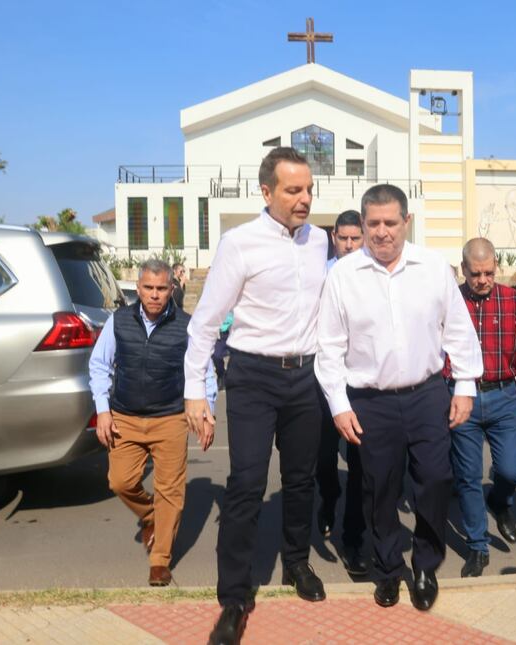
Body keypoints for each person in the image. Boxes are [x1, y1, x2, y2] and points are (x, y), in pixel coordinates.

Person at [185, 147, 329, 644]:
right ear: (266, 192)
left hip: (305, 377)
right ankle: (233, 598)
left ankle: (296, 564)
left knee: (301, 480)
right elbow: (204, 324)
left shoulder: (320, 241)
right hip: (251, 376)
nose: (305, 199)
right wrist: (194, 393)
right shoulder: (239, 243)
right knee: (246, 483)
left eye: (309, 189)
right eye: (294, 190)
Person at [315, 184, 482, 610]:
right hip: (370, 401)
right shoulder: (343, 275)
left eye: (391, 222)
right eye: (374, 223)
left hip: (427, 394)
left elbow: (459, 331)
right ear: (363, 224)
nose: (382, 232)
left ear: (406, 222)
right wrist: (339, 404)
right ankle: (388, 569)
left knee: (435, 481)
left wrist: (464, 386)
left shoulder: (432, 268)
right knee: (379, 490)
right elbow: (329, 346)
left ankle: (426, 564)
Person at [88, 259, 217, 586]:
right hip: (124, 418)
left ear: (171, 289)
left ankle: (160, 560)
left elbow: (204, 371)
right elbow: (99, 366)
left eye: (162, 288)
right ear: (139, 289)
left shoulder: (187, 325)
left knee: (170, 490)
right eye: (149, 288)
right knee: (119, 481)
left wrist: (207, 410)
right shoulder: (118, 321)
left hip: (170, 418)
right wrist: (103, 410)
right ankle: (150, 516)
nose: (155, 295)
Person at [445, 238, 516, 578]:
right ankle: (477, 546)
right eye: (476, 274)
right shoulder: (450, 301)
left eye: (489, 273)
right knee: (468, 476)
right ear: (464, 269)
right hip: (463, 399)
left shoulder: (512, 300)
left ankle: (500, 502)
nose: (483, 280)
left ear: (497, 268)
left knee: (510, 471)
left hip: (504, 397)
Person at [315, 209, 368, 576]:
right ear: (334, 237)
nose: (349, 245)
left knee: (361, 461)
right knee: (322, 458)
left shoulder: (372, 273)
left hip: (362, 382)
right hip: (323, 380)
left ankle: (354, 538)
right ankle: (329, 497)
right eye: (344, 238)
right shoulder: (322, 274)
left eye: (355, 238)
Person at [212, 311, 234, 390]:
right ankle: (221, 375)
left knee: (236, 357)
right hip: (220, 333)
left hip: (234, 331)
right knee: (216, 356)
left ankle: (231, 377)